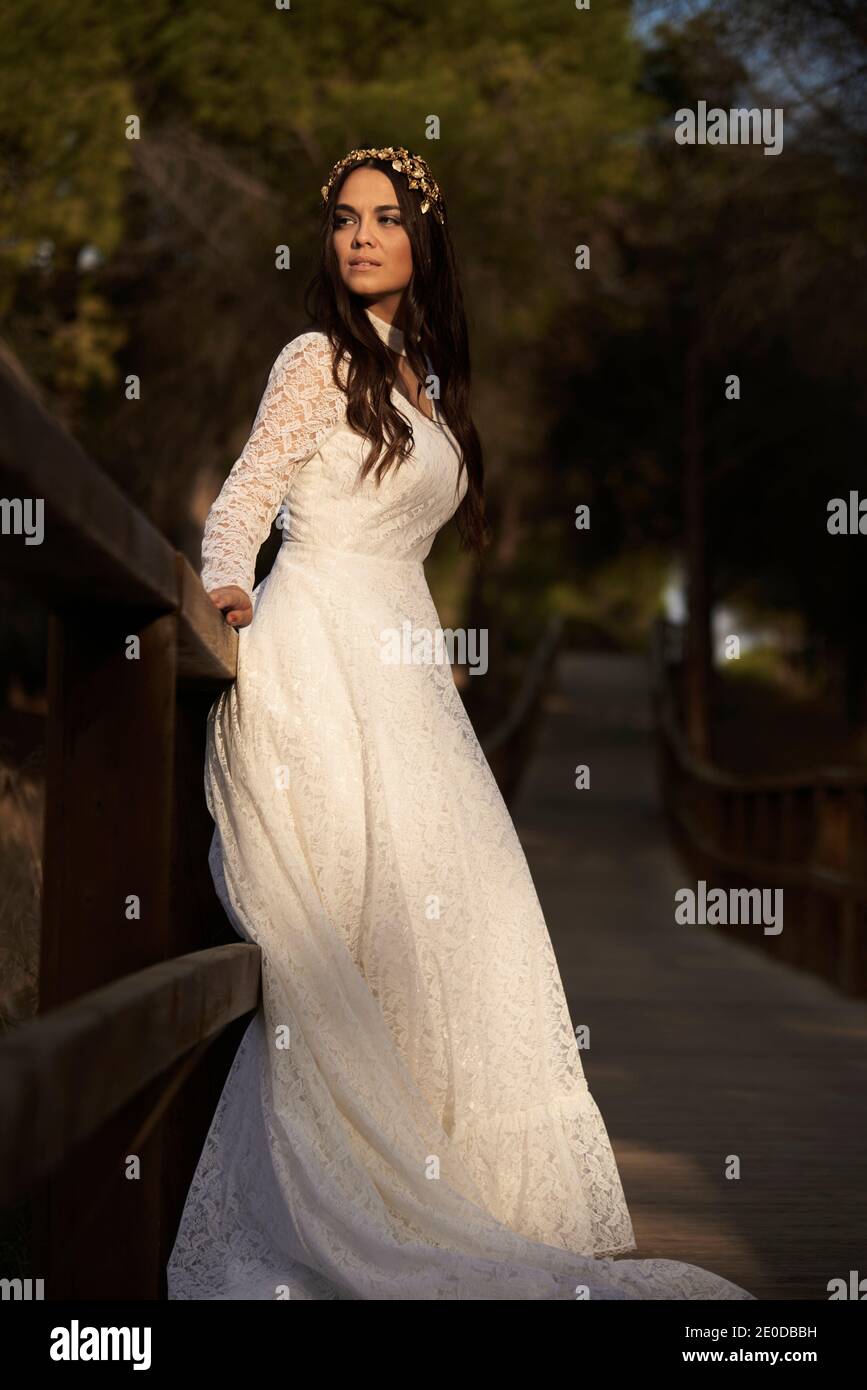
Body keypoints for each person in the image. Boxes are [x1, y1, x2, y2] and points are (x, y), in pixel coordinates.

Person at [166, 146, 754, 1301]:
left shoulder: (424, 375)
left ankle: (459, 1197)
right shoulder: (314, 358)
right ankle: (347, 1204)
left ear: (424, 242)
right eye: (343, 221)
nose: (361, 237)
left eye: (386, 219)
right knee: (349, 947)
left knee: (456, 936)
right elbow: (241, 499)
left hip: (412, 682)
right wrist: (227, 582)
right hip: (320, 661)